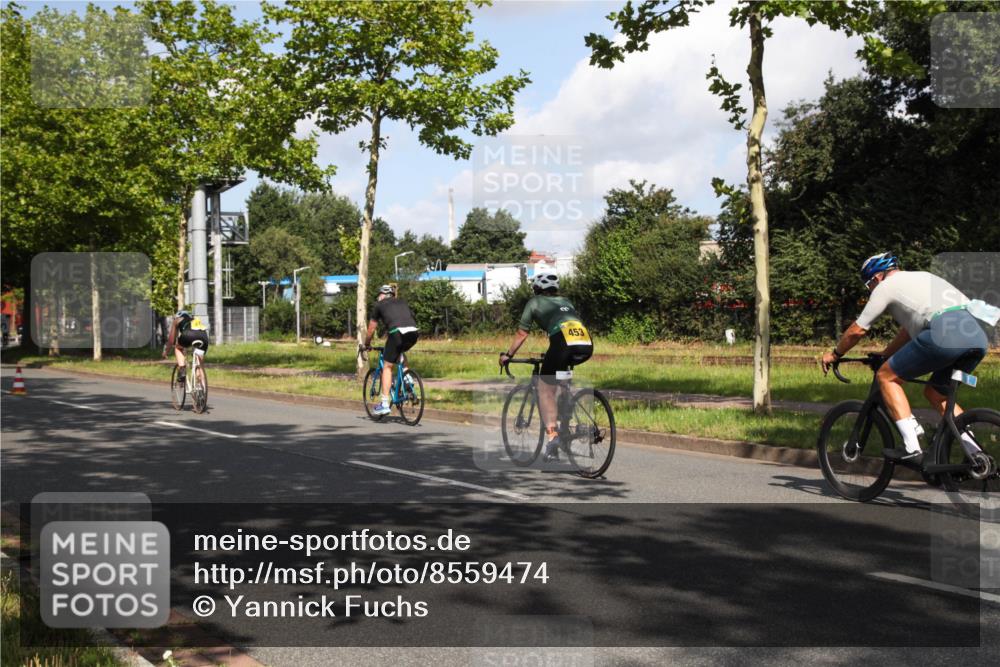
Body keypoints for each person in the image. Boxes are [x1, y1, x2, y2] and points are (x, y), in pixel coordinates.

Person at [821, 252, 992, 462]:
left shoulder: (884, 287)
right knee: (936, 394)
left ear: (876, 278)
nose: (870, 291)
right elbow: (907, 331)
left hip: (944, 334)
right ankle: (976, 455)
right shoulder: (924, 276)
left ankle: (912, 446)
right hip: (976, 337)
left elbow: (858, 330)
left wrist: (835, 354)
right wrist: (885, 354)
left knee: (886, 377)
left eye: (868, 286)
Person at [501, 273, 593, 461]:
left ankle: (553, 438)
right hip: (585, 342)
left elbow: (522, 333)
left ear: (537, 289)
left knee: (544, 389)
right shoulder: (566, 300)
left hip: (562, 343)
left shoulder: (534, 302)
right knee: (561, 382)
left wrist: (508, 355)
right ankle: (566, 431)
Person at [363, 285, 419, 416]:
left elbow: (371, 329)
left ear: (382, 294)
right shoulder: (402, 302)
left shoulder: (379, 305)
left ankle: (384, 404)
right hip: (413, 333)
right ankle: (407, 378)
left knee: (387, 366)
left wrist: (367, 344)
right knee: (400, 352)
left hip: (397, 333)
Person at [163, 310, 209, 384]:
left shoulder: (177, 320)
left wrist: (166, 351)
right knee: (199, 364)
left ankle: (182, 369)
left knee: (177, 348)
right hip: (204, 337)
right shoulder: (194, 319)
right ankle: (201, 388)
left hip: (188, 334)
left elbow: (171, 340)